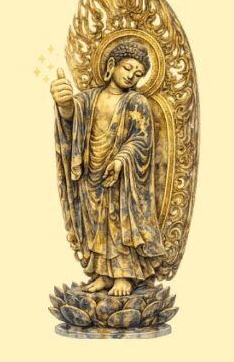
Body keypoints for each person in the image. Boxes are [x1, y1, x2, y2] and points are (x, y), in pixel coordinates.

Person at [51, 41, 167, 297]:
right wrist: (65, 104)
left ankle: (124, 275)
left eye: (138, 74)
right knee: (95, 224)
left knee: (118, 222)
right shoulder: (88, 98)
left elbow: (142, 140)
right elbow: (73, 120)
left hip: (122, 178)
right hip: (91, 175)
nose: (131, 75)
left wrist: (121, 160)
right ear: (111, 65)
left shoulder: (136, 102)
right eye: (128, 67)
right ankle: (103, 274)